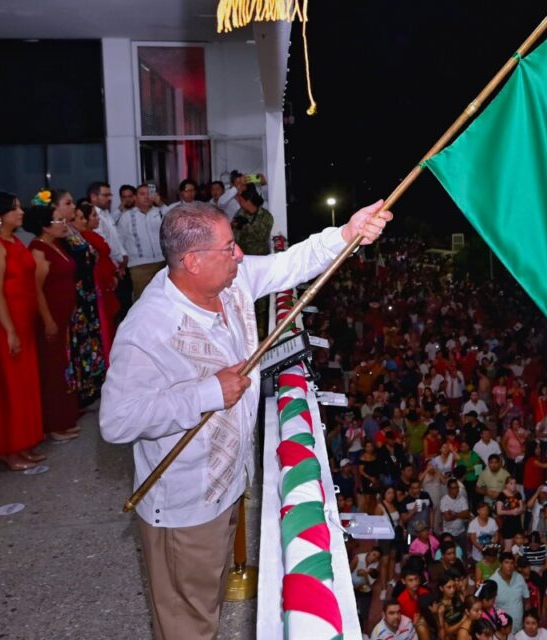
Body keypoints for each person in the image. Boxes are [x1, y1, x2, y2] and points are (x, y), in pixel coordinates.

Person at [99, 200, 391, 639]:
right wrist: (207, 393)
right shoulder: (147, 327)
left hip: (228, 485)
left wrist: (346, 234)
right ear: (193, 261)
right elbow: (116, 421)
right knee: (187, 625)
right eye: (230, 247)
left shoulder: (230, 283)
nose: (239, 255)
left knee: (207, 609)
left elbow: (289, 264)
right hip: (186, 505)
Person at [0, 191, 46, 474]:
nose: (21, 212)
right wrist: (9, 331)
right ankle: (7, 448)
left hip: (24, 322)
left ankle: (23, 441)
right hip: (6, 322)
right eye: (15, 209)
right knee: (9, 389)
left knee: (25, 386)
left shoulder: (15, 240)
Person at [27, 202, 81, 442]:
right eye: (58, 221)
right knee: (52, 371)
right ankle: (53, 424)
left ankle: (65, 418)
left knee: (63, 368)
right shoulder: (38, 250)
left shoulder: (57, 245)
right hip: (51, 318)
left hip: (65, 316)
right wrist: (48, 320)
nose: (63, 224)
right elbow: (36, 289)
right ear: (45, 227)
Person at [52, 192, 107, 402]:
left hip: (88, 294)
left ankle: (92, 384)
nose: (73, 206)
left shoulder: (72, 230)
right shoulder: (59, 236)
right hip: (76, 295)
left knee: (90, 339)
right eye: (67, 203)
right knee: (77, 344)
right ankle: (81, 389)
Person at [76, 201, 120, 355]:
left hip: (106, 282)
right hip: (99, 284)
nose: (98, 219)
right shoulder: (84, 238)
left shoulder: (92, 234)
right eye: (94, 216)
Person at [114, 183, 166, 300]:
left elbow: (175, 222)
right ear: (135, 197)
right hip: (139, 266)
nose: (146, 197)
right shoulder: (127, 217)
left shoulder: (160, 212)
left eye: (149, 194)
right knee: (142, 298)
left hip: (162, 262)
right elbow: (119, 240)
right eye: (142, 194)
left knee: (163, 298)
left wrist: (160, 204)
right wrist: (122, 261)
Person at [491, 552, 532, 634]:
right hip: (502, 630)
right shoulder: (492, 582)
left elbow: (527, 601)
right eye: (506, 562)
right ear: (500, 564)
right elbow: (490, 607)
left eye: (512, 563)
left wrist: (527, 620)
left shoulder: (519, 578)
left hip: (519, 628)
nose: (509, 566)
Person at [231, 187, 273, 256]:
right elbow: (234, 230)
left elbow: (261, 237)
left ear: (248, 201)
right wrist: (234, 225)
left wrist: (246, 226)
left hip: (259, 255)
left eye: (241, 200)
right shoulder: (240, 212)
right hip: (242, 255)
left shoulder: (266, 216)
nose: (239, 202)